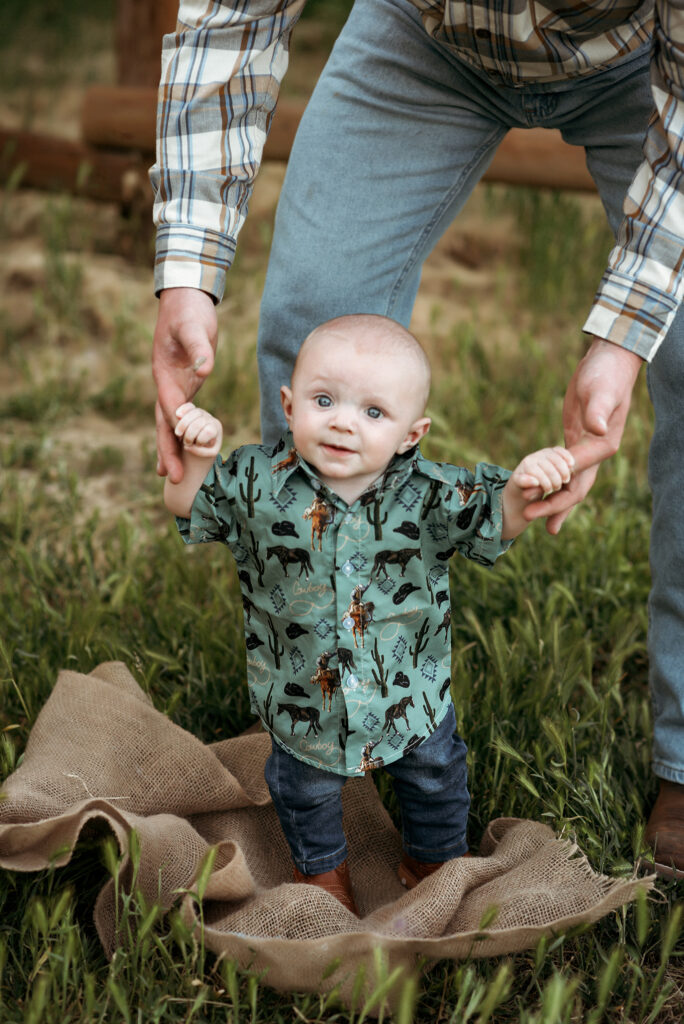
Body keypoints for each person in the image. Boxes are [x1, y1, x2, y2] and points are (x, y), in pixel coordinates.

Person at [150, 1, 684, 877]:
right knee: (317, 317)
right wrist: (186, 275)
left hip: (651, 60)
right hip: (427, 33)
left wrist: (622, 337)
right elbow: (229, 19)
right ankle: (318, 711)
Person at [163, 313, 575, 913]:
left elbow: (491, 521)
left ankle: (433, 857)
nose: (343, 422)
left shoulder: (429, 493)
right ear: (288, 404)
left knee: (436, 777)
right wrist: (196, 457)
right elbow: (189, 504)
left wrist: (518, 493)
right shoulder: (256, 481)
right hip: (305, 696)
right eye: (324, 399)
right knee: (304, 792)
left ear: (412, 433)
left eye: (373, 412)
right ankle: (324, 875)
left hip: (410, 689)